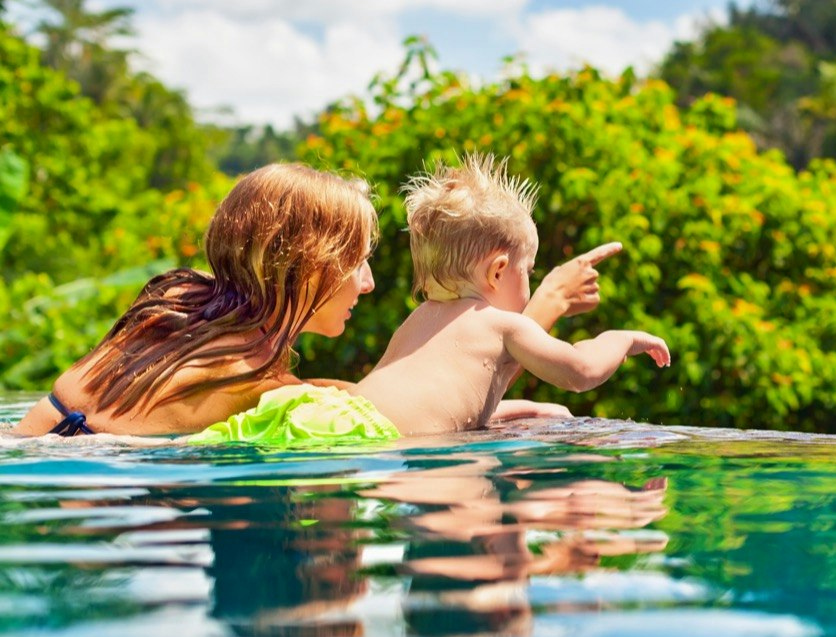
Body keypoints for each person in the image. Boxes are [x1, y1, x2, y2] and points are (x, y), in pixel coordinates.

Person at [11, 162, 622, 438]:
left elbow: (384, 402)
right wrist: (539, 311)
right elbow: (394, 420)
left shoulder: (188, 314)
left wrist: (499, 411)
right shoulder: (247, 375)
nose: (369, 283)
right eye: (356, 263)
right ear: (310, 267)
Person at [196, 153, 669, 443]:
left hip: (330, 416)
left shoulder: (422, 319)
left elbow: (435, 407)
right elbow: (579, 372)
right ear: (498, 270)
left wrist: (528, 408)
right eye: (528, 271)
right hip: (370, 439)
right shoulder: (501, 325)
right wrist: (620, 338)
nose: (528, 284)